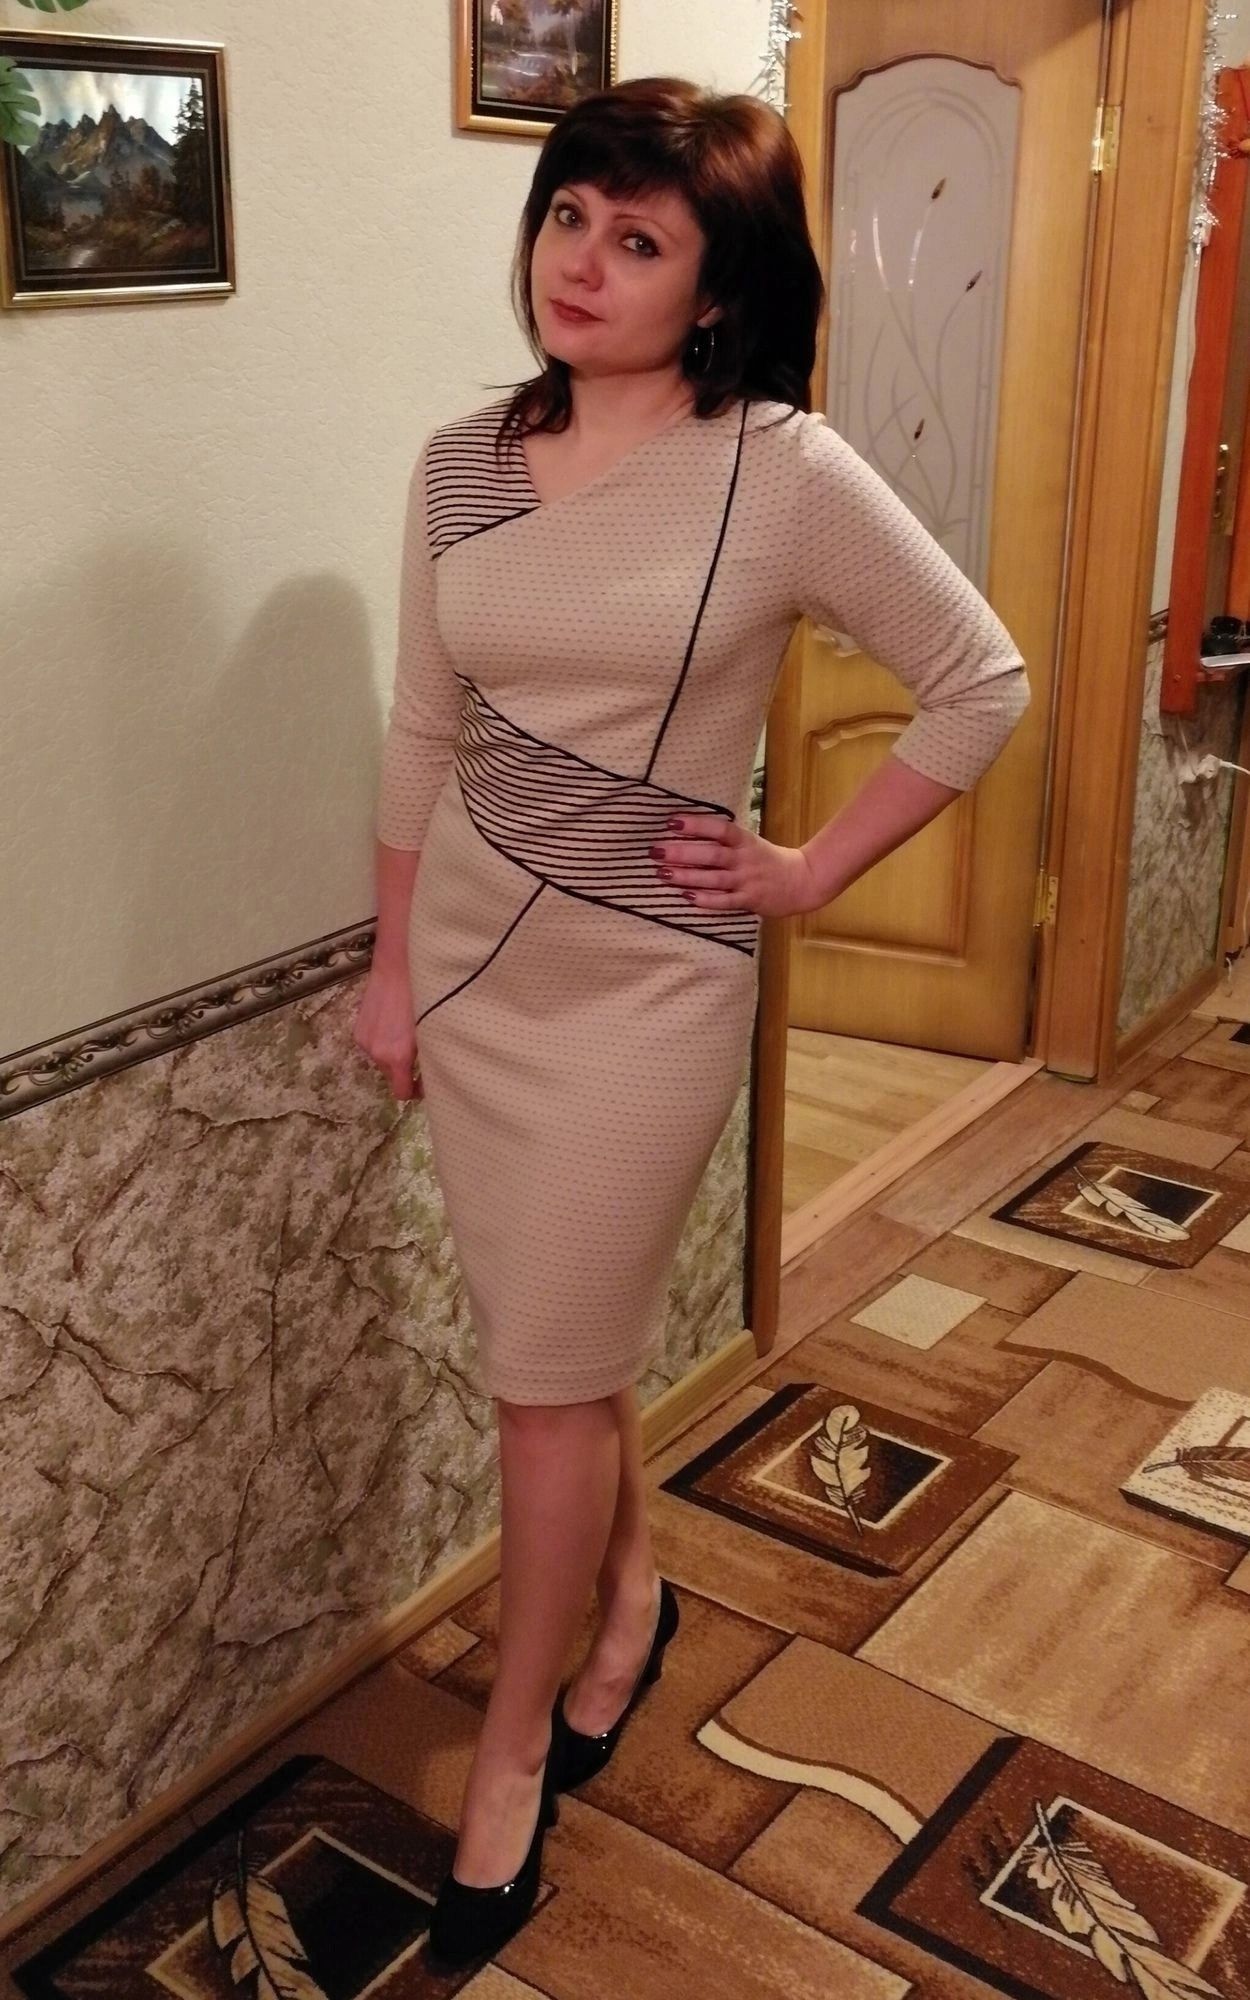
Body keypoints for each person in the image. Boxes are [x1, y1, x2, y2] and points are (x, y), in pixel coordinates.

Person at [353, 74, 1029, 1970]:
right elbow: (422, 726)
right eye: (568, 215)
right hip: (471, 961)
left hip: (646, 990)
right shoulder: (457, 462)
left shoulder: (778, 471)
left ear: (717, 288)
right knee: (555, 1349)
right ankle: (633, 1595)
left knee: (540, 1374)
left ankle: (508, 1751)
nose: (580, 261)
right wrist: (391, 963)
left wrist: (807, 872)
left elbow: (977, 682)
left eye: (636, 238)